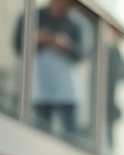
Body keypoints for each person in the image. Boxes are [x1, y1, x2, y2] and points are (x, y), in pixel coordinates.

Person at [13, 0, 83, 137]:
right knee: (43, 131)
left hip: (65, 88)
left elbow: (80, 54)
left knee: (71, 135)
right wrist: (35, 38)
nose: (62, 8)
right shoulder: (31, 15)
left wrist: (65, 46)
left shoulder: (74, 24)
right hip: (40, 85)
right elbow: (17, 46)